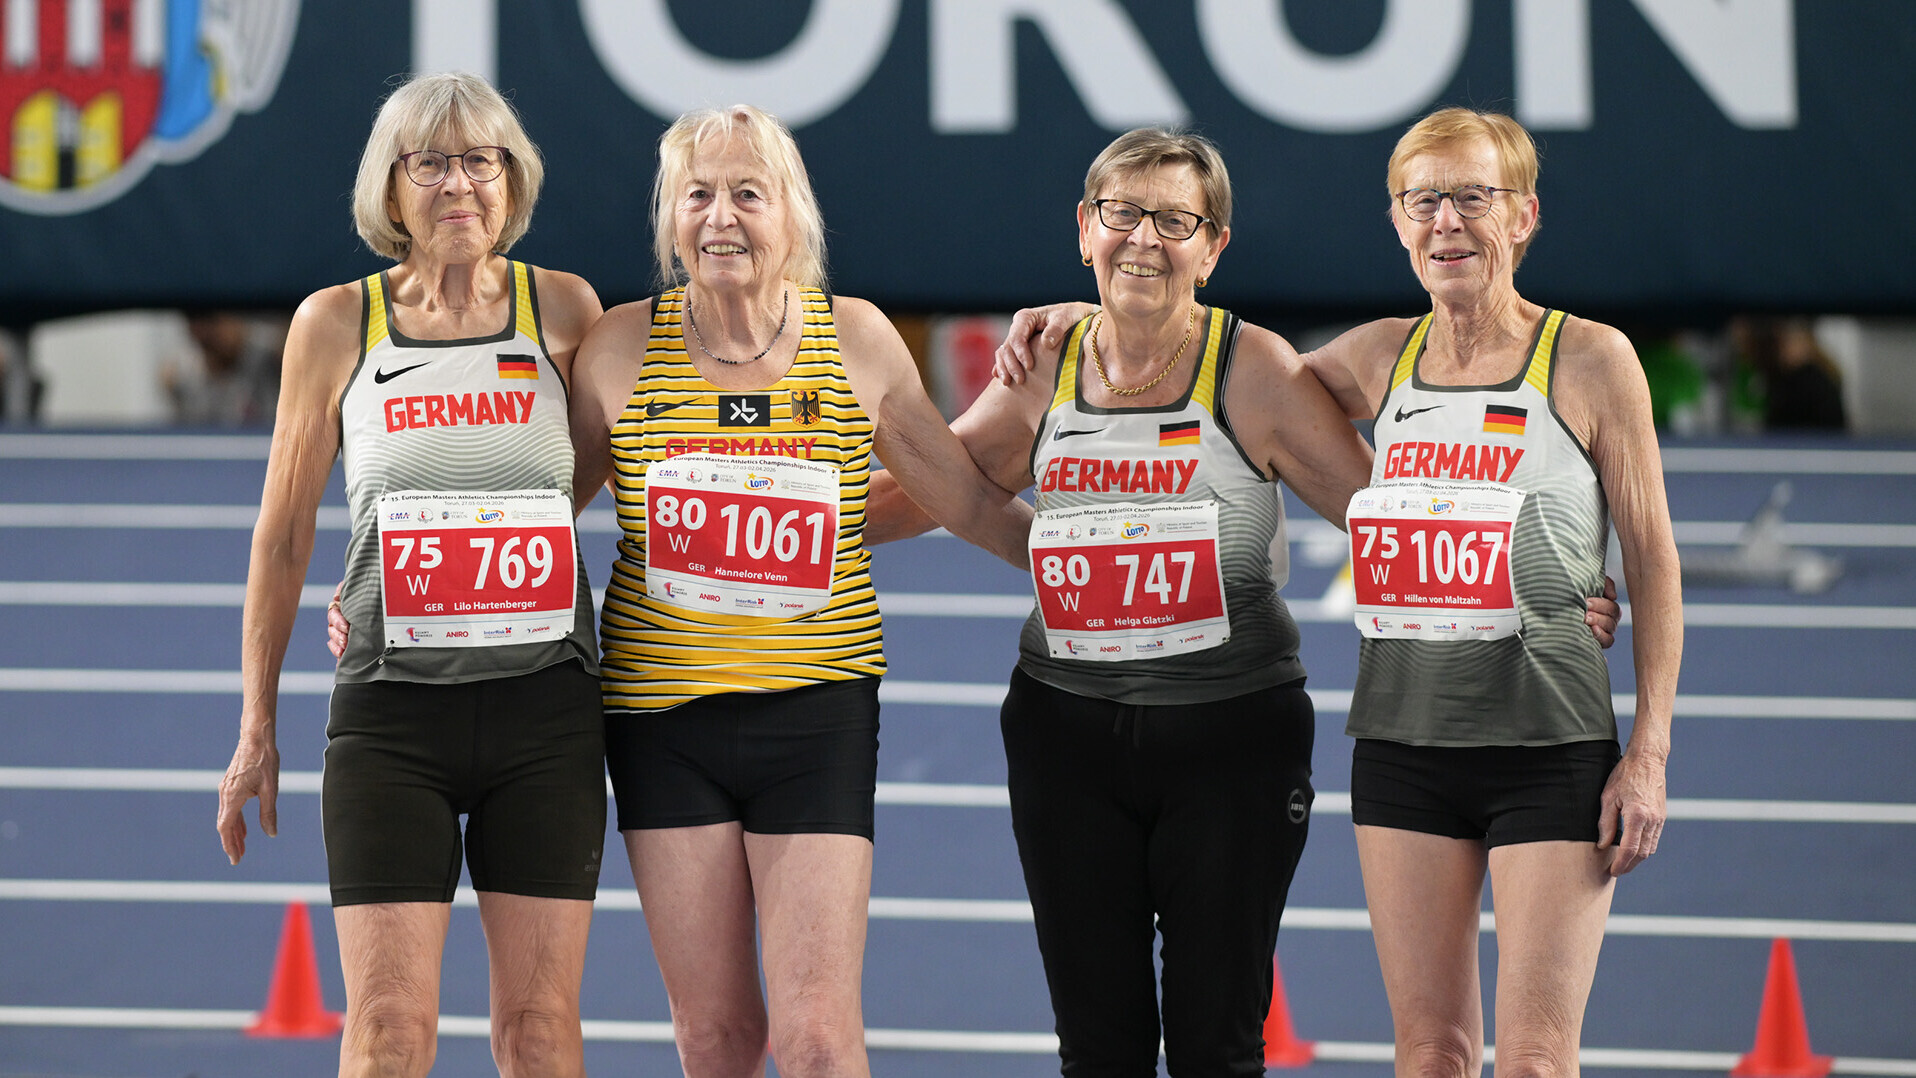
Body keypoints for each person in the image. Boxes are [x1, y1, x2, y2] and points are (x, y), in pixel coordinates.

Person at [870, 127, 1378, 1076]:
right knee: (1096, 1049)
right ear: (1084, 228)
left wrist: (1556, 591)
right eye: (1123, 213)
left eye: (1175, 220)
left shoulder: (1255, 370)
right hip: (1068, 741)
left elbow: (1385, 519)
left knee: (1215, 1047)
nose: (1144, 237)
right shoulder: (1044, 368)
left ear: (1214, 246)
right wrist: (786, 515)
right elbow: (924, 488)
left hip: (1233, 744)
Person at [566, 104, 1033, 1078]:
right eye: (697, 195)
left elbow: (964, 500)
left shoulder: (854, 342)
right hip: (662, 720)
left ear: (791, 213)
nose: (721, 217)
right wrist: (386, 586)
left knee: (818, 1038)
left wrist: (1093, 573)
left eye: (747, 192)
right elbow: (531, 512)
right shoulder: (614, 351)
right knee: (714, 1037)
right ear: (669, 219)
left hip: (813, 712)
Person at [216, 72, 608, 1078]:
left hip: (543, 715)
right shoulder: (334, 324)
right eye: (429, 162)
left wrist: (477, 566)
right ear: (389, 191)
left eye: (481, 161)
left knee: (539, 1032)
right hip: (393, 720)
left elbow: (597, 465)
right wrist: (256, 727)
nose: (458, 184)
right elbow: (282, 533)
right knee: (389, 1033)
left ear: (512, 181)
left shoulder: (563, 310)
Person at [1293, 108, 1683, 1077]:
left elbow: (1650, 557)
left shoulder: (1590, 359)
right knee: (1429, 1053)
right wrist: (1080, 325)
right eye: (1421, 200)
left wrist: (1647, 752)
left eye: (1472, 197)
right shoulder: (1375, 358)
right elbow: (1230, 384)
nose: (1446, 223)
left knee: (1537, 1060)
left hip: (1547, 748)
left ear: (1522, 217)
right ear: (1395, 222)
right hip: (1401, 745)